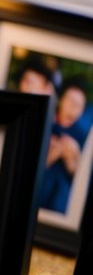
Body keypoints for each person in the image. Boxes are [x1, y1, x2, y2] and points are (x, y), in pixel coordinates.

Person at [40, 76, 93, 214]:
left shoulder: (84, 139)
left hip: (62, 207)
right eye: (70, 100)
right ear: (61, 100)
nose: (72, 107)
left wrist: (73, 163)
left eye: (78, 105)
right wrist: (54, 153)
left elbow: (83, 184)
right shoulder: (46, 126)